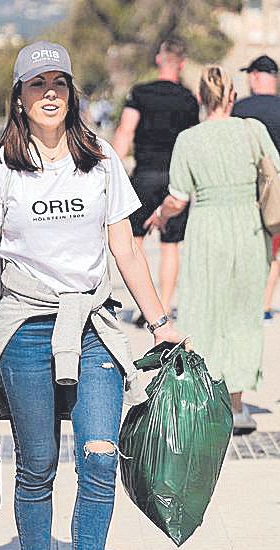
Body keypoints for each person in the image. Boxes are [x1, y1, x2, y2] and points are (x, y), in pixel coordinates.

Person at [0, 40, 186, 550]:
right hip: (24, 328)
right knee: (38, 465)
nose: (50, 92)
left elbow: (125, 247)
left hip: (94, 326)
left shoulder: (99, 162)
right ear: (18, 97)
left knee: (98, 456)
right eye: (37, 82)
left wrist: (159, 321)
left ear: (71, 94)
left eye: (60, 82)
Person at [145, 65, 280, 433]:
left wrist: (159, 215)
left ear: (202, 99)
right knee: (242, 317)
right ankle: (237, 406)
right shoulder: (253, 131)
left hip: (207, 231)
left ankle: (203, 399)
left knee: (203, 314)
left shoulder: (189, 140)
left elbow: (178, 197)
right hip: (250, 231)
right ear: (232, 96)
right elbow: (275, 173)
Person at [113, 39, 199, 324]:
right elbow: (191, 142)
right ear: (182, 63)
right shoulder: (189, 99)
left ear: (159, 59)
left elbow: (125, 132)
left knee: (135, 242)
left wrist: (110, 172)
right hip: (176, 178)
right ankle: (163, 304)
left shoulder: (140, 93)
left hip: (145, 176)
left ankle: (144, 306)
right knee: (170, 244)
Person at [233, 55, 280, 322]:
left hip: (246, 188)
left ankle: (244, 302)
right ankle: (263, 305)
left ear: (254, 76)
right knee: (273, 249)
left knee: (246, 248)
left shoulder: (240, 109)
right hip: (278, 192)